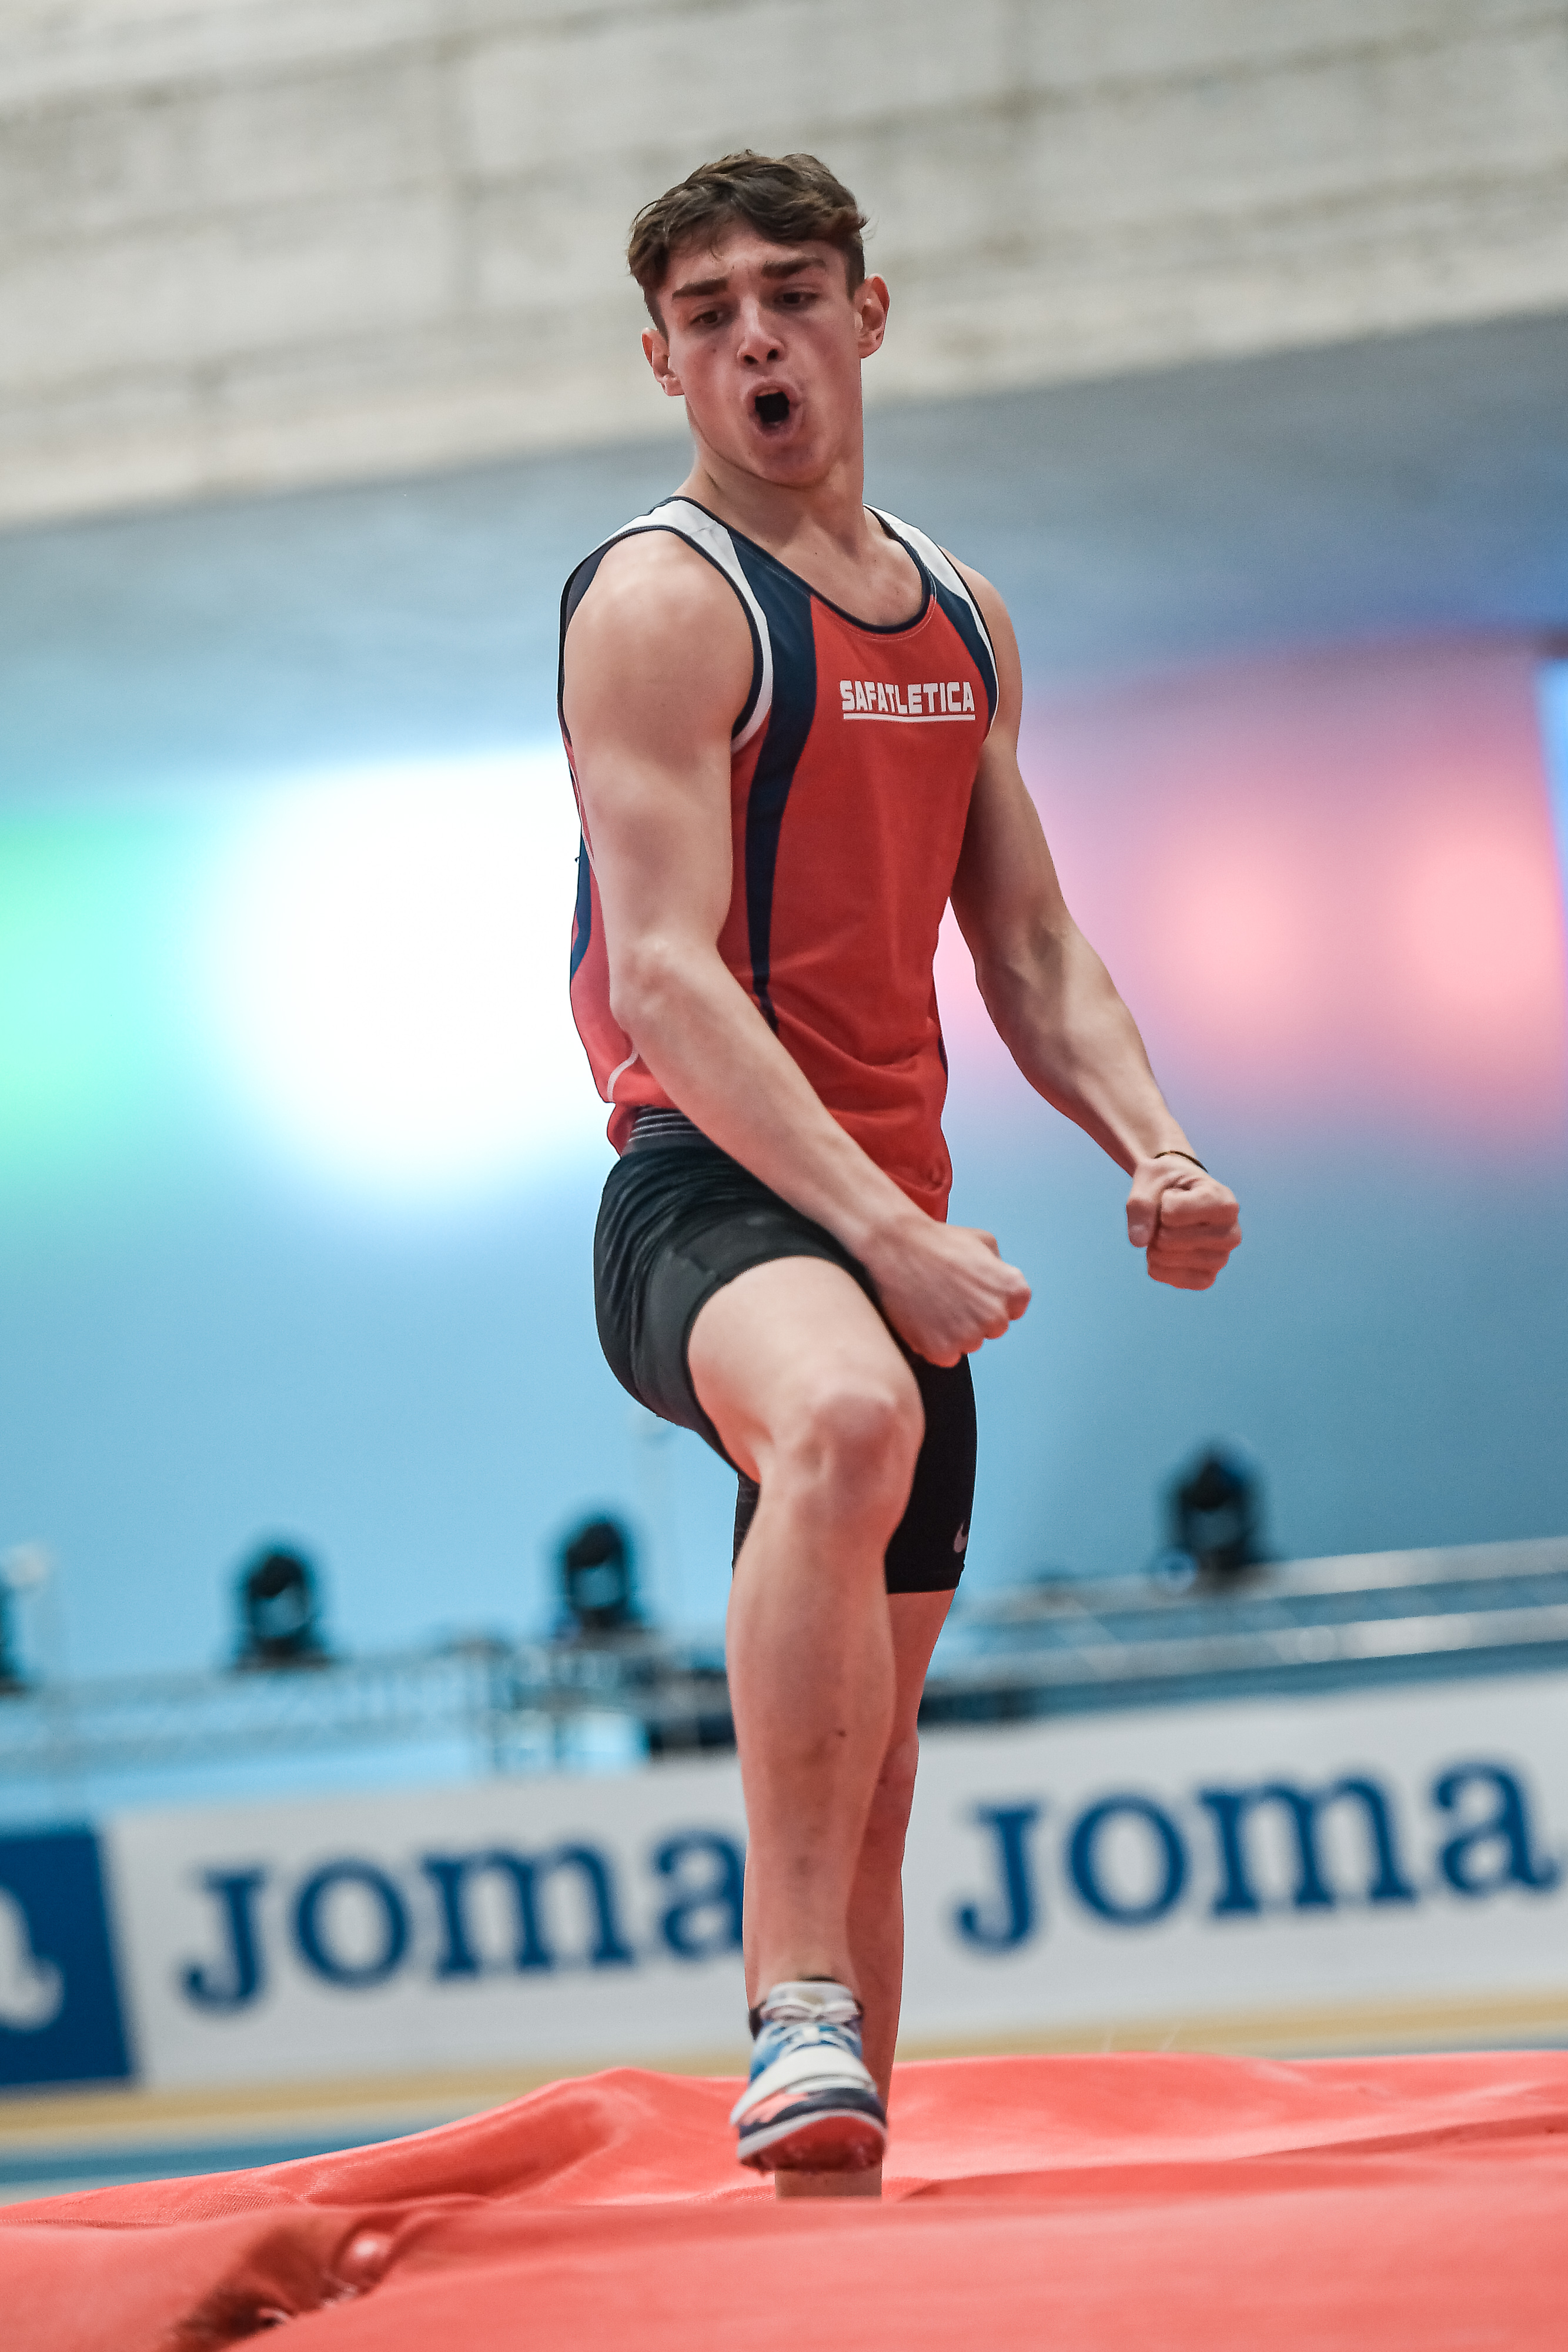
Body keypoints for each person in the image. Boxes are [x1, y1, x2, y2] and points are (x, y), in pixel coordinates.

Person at [558, 152, 1242, 2197]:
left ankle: (835, 2177)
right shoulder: (663, 601)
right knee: (844, 1415)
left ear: (867, 315)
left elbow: (1024, 941)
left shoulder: (958, 614)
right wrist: (879, 1234)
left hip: (899, 1227)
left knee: (875, 1756)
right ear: (664, 363)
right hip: (708, 1190)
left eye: (790, 293)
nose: (754, 337)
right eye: (707, 314)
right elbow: (666, 978)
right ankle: (787, 2010)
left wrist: (1154, 1143)